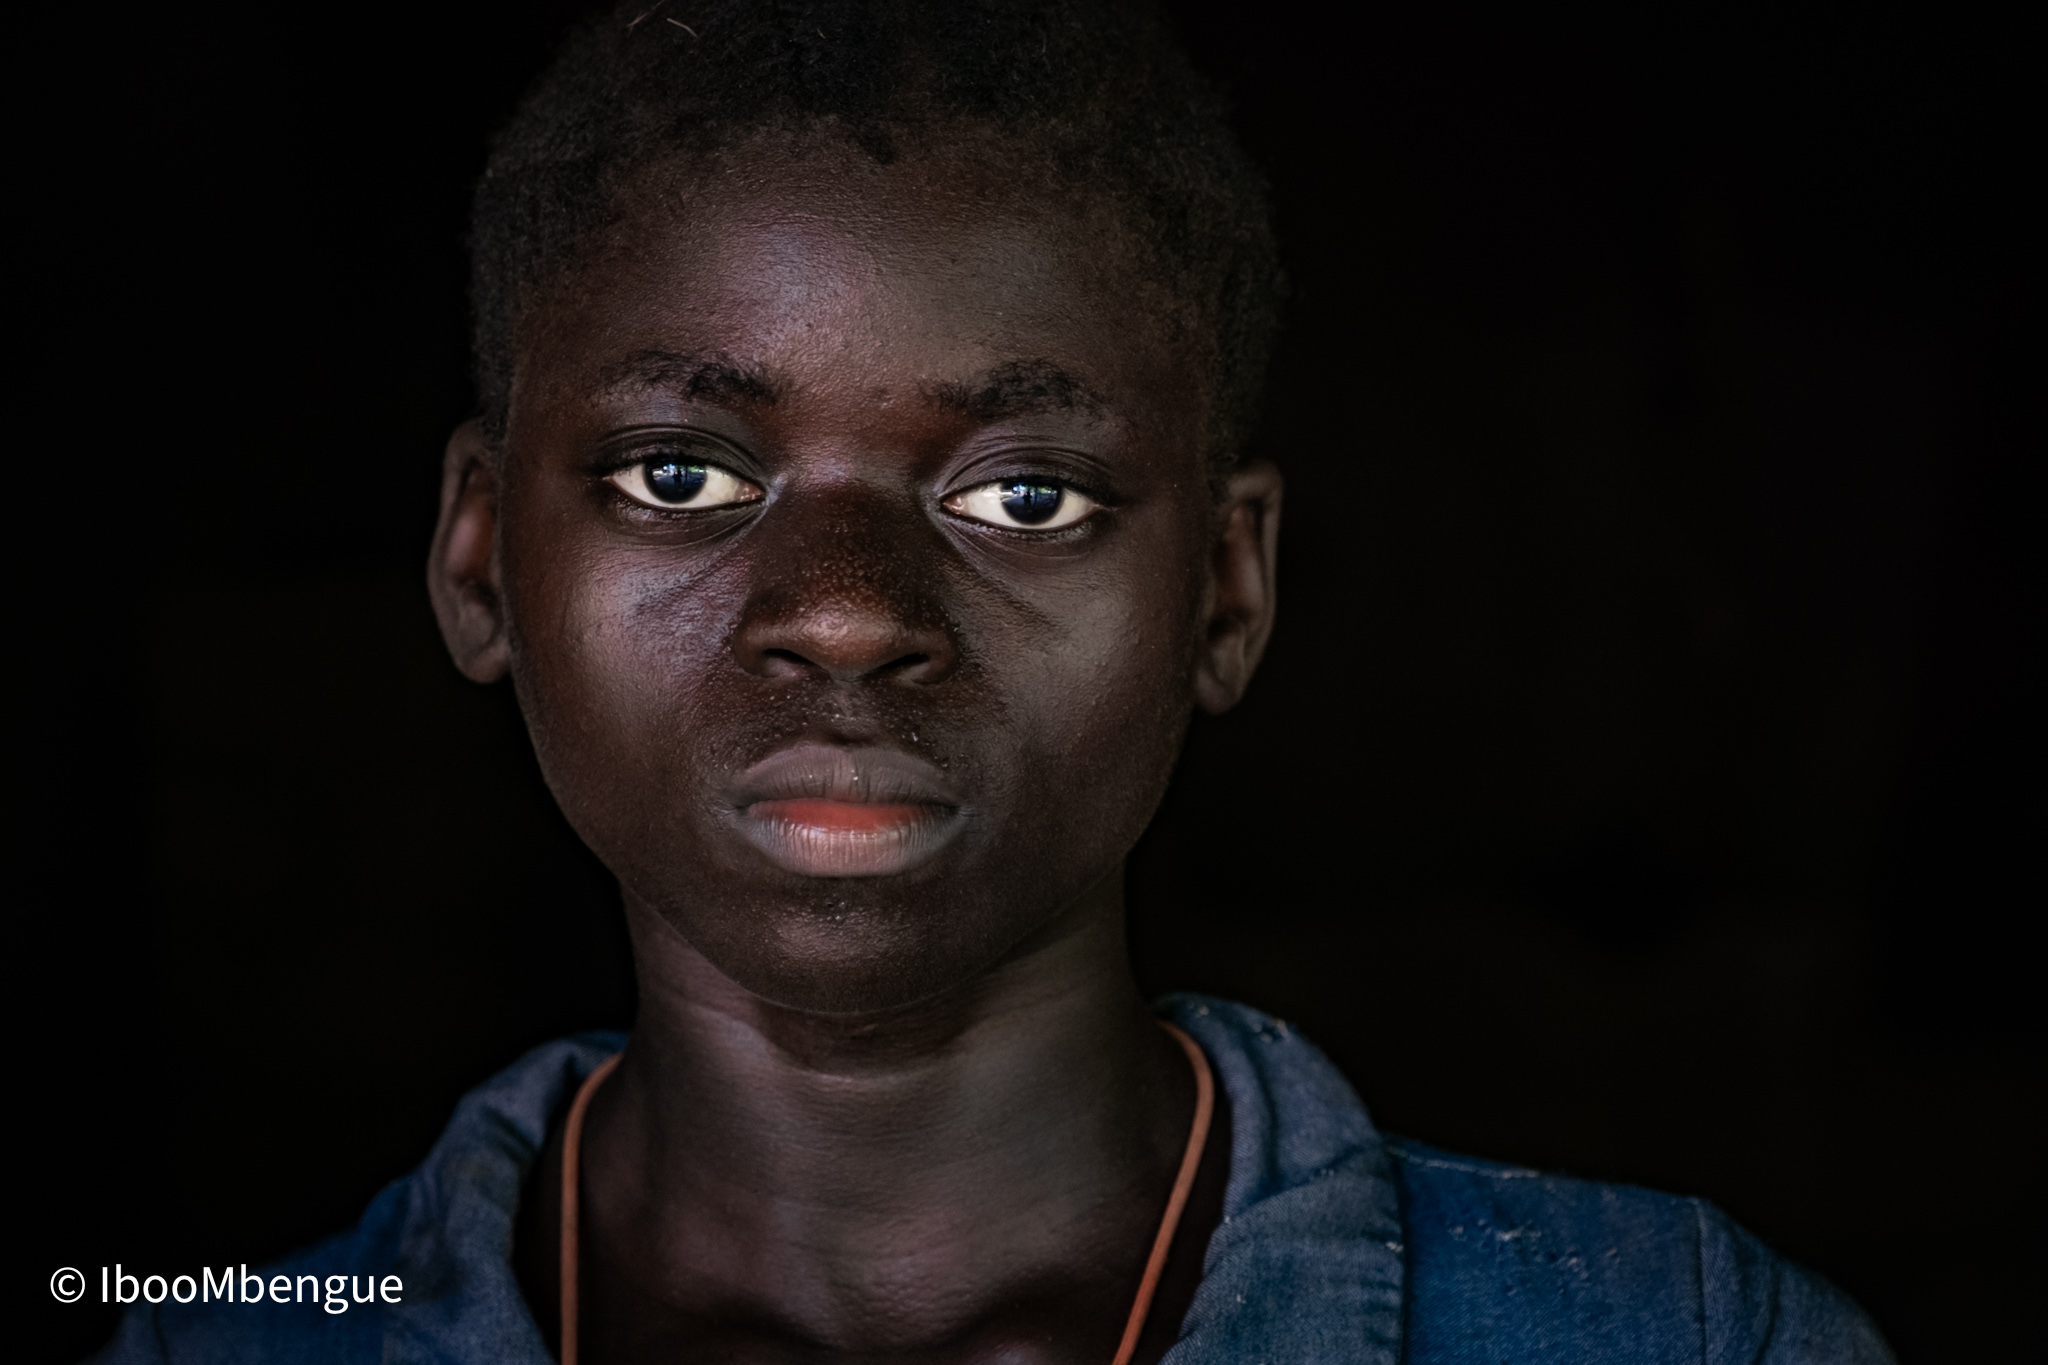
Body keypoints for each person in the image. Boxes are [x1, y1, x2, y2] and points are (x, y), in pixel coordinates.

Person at [93, 2, 1893, 1360]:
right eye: (680, 475)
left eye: (1026, 496)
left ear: (1226, 591)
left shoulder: (1680, 1334)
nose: (845, 615)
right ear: (484, 558)